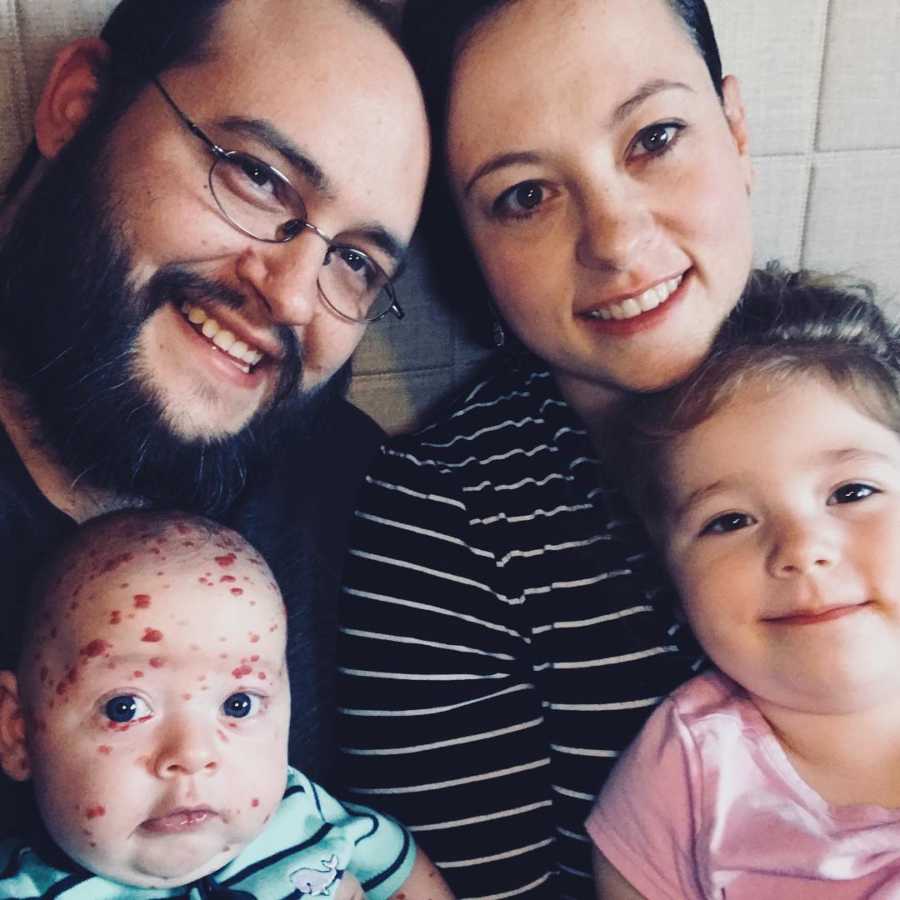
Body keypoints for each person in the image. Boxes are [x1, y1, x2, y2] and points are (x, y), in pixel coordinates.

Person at [337, 0, 754, 895]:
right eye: (524, 196)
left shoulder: (881, 401)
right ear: (467, 253)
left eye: (656, 136)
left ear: (737, 131)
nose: (615, 239)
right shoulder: (441, 523)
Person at [0, 0, 429, 835]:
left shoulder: (363, 504)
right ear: (80, 104)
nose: (294, 294)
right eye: (258, 176)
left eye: (355, 263)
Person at [587, 266, 900, 898]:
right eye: (728, 520)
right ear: (671, 582)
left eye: (852, 491)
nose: (801, 549)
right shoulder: (685, 775)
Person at [0, 510, 454, 899]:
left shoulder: (311, 819)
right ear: (18, 732)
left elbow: (405, 870)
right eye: (125, 708)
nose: (194, 755)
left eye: (238, 704)